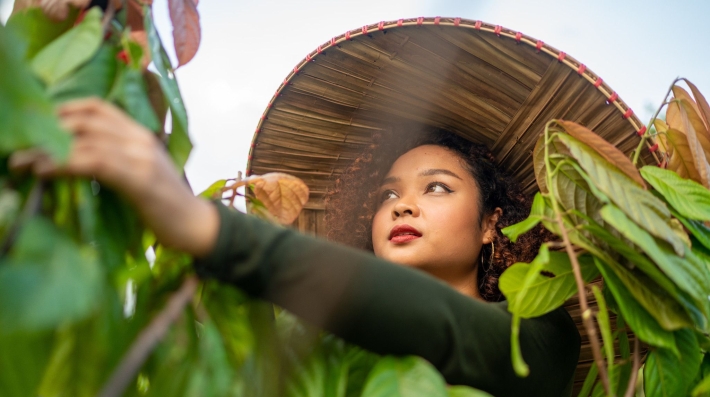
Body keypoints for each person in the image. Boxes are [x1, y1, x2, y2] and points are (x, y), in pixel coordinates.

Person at [11, 99, 580, 396]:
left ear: (490, 225)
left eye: (437, 188)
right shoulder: (309, 342)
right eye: (387, 194)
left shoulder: (542, 336)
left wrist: (210, 229)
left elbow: (439, 325)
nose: (401, 207)